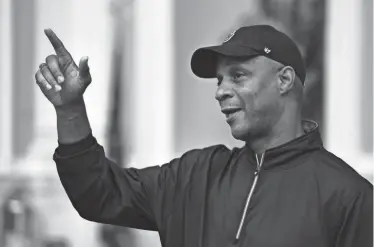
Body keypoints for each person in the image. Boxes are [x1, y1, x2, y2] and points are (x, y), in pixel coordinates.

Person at [35, 25, 373, 247]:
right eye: (219, 81)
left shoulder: (349, 196)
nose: (221, 92)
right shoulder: (194, 174)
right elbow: (99, 194)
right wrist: (69, 110)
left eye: (238, 76)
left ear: (284, 81)